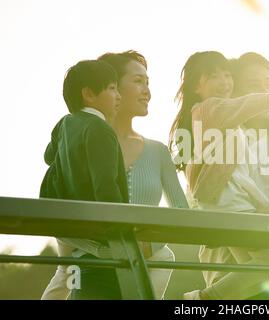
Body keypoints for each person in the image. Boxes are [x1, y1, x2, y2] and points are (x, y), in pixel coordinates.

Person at [41, 51, 188, 300]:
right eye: (138, 81)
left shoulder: (157, 151)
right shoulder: (86, 133)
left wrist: (147, 241)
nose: (148, 92)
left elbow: (182, 214)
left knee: (165, 258)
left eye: (148, 82)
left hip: (138, 261)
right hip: (89, 261)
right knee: (68, 270)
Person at [168, 51, 269, 300]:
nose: (224, 82)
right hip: (229, 204)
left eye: (227, 75)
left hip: (229, 201)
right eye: (213, 76)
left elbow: (244, 123)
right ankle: (201, 299)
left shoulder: (218, 115)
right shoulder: (210, 108)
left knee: (258, 273)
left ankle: (207, 299)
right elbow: (246, 105)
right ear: (196, 87)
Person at [39, 59, 127, 299]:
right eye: (111, 88)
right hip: (89, 225)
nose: (118, 95)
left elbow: (49, 156)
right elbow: (105, 186)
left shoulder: (65, 123)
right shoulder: (100, 128)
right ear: (89, 94)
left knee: (65, 272)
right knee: (142, 260)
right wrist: (121, 225)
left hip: (64, 217)